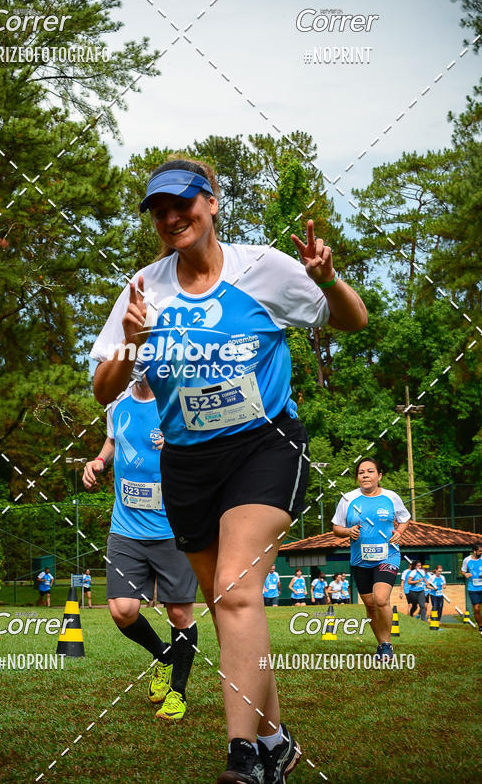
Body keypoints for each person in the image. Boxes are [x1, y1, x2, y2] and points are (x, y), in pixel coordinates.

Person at [90, 157, 367, 784]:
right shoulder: (143, 288)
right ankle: (275, 738)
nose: (170, 217)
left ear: (211, 202)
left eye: (182, 203)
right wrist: (132, 341)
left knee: (237, 593)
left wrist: (328, 281)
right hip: (186, 463)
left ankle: (243, 758)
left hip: (264, 445)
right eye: (158, 210)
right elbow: (103, 387)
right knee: (227, 608)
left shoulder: (263, 269)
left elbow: (351, 321)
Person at [83, 371, 198, 722]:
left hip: (173, 527)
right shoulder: (116, 403)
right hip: (126, 529)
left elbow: (205, 449)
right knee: (122, 609)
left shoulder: (179, 400)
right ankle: (163, 655)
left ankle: (177, 692)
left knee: (179, 614)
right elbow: (114, 442)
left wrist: (179, 443)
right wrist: (99, 462)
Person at [332, 457, 410, 661]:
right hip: (360, 561)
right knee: (370, 605)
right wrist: (348, 531)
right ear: (357, 477)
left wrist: (400, 531)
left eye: (370, 471)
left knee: (381, 599)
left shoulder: (391, 497)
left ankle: (387, 645)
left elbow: (404, 518)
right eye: (361, 472)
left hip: (388, 556)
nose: (365, 475)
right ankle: (382, 643)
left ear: (379, 475)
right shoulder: (348, 499)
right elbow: (336, 528)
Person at [461, 543, 482, 632]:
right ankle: (481, 626)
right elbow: (462, 571)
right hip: (473, 588)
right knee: (476, 608)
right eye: (480, 551)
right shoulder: (467, 560)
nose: (481, 552)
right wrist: (466, 574)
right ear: (474, 551)